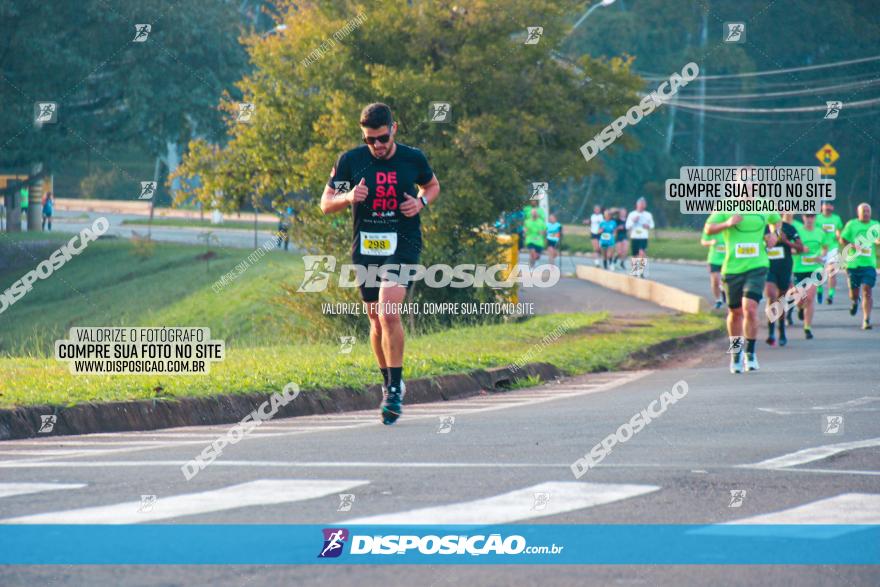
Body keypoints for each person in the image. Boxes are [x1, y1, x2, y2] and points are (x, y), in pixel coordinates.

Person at [321, 103, 440, 425]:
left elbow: (432, 185)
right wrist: (347, 198)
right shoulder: (351, 161)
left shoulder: (412, 158)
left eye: (382, 138)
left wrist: (421, 202)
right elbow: (326, 203)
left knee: (389, 311)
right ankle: (389, 381)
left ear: (394, 129)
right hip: (367, 246)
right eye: (370, 139)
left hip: (404, 243)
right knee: (375, 320)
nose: (377, 145)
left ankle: (396, 393)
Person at [705, 211, 780, 373]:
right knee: (735, 312)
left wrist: (775, 234)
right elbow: (708, 229)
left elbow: (777, 221)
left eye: (751, 184)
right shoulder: (725, 206)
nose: (747, 186)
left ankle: (750, 353)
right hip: (732, 268)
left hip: (757, 265)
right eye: (743, 184)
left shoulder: (764, 204)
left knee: (750, 308)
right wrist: (727, 223)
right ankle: (736, 353)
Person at [764, 213, 803, 347]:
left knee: (780, 300)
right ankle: (770, 332)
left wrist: (786, 241)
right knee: (771, 295)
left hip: (785, 267)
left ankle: (781, 329)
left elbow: (800, 248)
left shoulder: (789, 228)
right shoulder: (762, 227)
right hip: (767, 267)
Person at [840, 203, 880, 330]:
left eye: (868, 211)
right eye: (864, 211)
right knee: (854, 292)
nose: (866, 213)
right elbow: (842, 239)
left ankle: (866, 319)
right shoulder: (852, 224)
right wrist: (852, 245)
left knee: (867, 289)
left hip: (869, 264)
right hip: (853, 264)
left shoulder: (875, 225)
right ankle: (854, 301)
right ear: (858, 213)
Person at [790, 213, 828, 339]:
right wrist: (799, 250)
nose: (810, 219)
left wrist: (821, 256)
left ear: (815, 218)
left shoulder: (820, 232)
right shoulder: (797, 231)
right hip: (799, 269)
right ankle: (800, 308)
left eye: (812, 216)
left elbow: (825, 247)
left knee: (810, 297)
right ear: (803, 217)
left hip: (814, 269)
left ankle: (807, 328)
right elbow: (789, 249)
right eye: (807, 216)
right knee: (800, 299)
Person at [817, 201, 844, 305]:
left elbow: (839, 231)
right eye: (826, 205)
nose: (827, 207)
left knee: (832, 272)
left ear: (832, 207)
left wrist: (838, 236)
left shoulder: (836, 218)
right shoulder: (817, 218)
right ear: (822, 206)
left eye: (830, 205)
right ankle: (819, 290)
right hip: (820, 249)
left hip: (832, 248)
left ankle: (830, 295)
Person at [700, 225, 726, 309]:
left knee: (725, 281)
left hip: (728, 259)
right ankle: (718, 300)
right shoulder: (711, 227)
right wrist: (710, 242)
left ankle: (725, 294)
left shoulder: (730, 226)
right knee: (715, 281)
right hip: (714, 259)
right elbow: (703, 241)